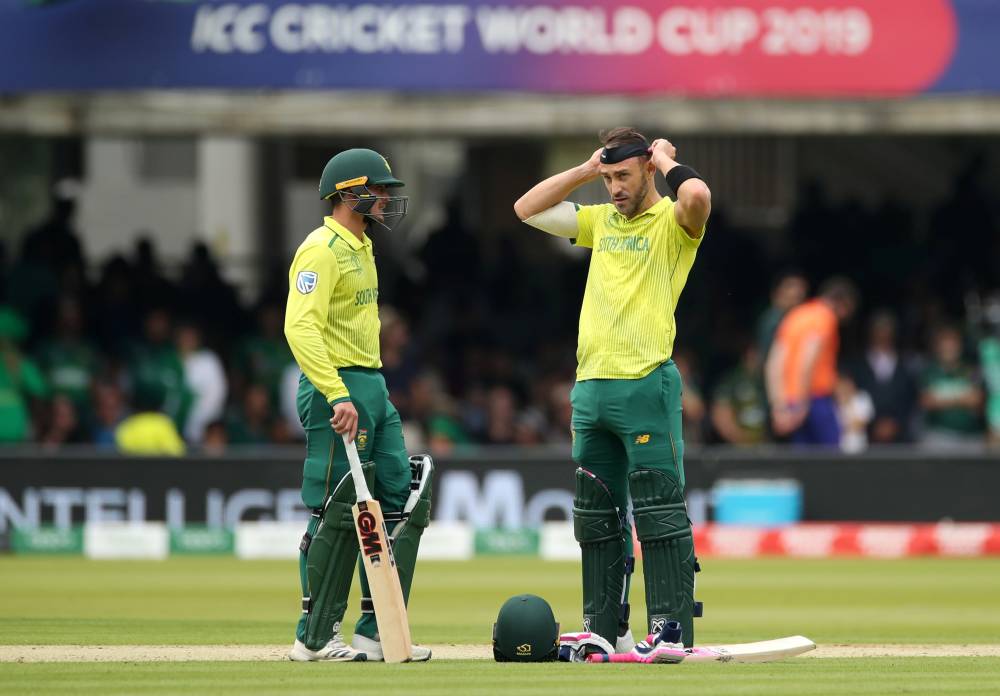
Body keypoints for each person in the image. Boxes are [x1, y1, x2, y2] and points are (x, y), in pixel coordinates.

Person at [514, 127, 712, 649]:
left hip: (646, 381)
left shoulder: (674, 221)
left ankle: (671, 630)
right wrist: (585, 170)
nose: (614, 189)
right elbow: (526, 209)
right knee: (595, 513)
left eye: (623, 176)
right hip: (591, 388)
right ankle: (606, 630)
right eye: (608, 179)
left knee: (658, 510)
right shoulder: (598, 221)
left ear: (646, 168)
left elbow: (697, 196)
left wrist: (666, 159)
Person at [284, 148, 433, 662]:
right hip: (337, 387)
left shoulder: (362, 246)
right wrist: (336, 393)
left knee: (405, 497)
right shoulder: (320, 249)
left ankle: (380, 630)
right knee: (336, 508)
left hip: (371, 384)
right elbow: (299, 326)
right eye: (381, 188)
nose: (389, 197)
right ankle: (316, 636)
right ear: (350, 193)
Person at [765, 277, 858, 446]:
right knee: (831, 459)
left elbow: (774, 364)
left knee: (803, 463)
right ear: (844, 303)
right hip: (813, 399)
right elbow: (807, 360)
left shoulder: (795, 316)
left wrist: (778, 406)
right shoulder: (824, 317)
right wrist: (802, 403)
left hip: (789, 402)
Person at [850, 310, 917, 444]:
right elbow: (853, 396)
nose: (883, 335)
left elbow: (911, 398)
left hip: (901, 436)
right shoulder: (856, 365)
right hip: (866, 436)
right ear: (871, 333)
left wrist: (895, 423)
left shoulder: (906, 364)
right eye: (879, 330)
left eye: (887, 330)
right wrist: (873, 424)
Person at [919, 324, 984, 449]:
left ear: (960, 345)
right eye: (945, 344)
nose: (949, 348)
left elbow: (977, 400)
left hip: (970, 435)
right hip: (939, 434)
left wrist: (942, 399)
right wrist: (962, 399)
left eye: (953, 344)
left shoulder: (971, 369)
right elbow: (926, 401)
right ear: (938, 346)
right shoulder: (929, 371)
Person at [711, 344, 768, 446]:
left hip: (766, 449)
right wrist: (743, 441)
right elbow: (721, 416)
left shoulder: (767, 381)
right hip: (737, 451)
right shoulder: (732, 381)